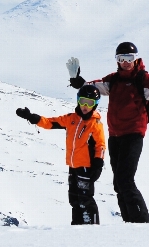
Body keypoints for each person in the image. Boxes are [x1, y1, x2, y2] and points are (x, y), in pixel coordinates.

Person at [67, 42, 149, 223]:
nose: (125, 62)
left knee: (125, 179)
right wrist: (78, 82)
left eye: (129, 58)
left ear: (136, 58)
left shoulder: (142, 79)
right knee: (118, 183)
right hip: (115, 135)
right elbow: (94, 88)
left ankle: (141, 221)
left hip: (134, 133)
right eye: (121, 58)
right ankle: (129, 222)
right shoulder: (114, 80)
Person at [15, 84, 106, 225]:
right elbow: (51, 122)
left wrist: (98, 164)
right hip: (73, 165)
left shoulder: (95, 124)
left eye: (90, 103)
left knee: (85, 198)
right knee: (74, 198)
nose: (85, 106)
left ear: (95, 104)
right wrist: (32, 117)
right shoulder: (71, 119)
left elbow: (100, 145)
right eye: (83, 101)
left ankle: (92, 226)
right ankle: (77, 224)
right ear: (78, 101)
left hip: (86, 167)